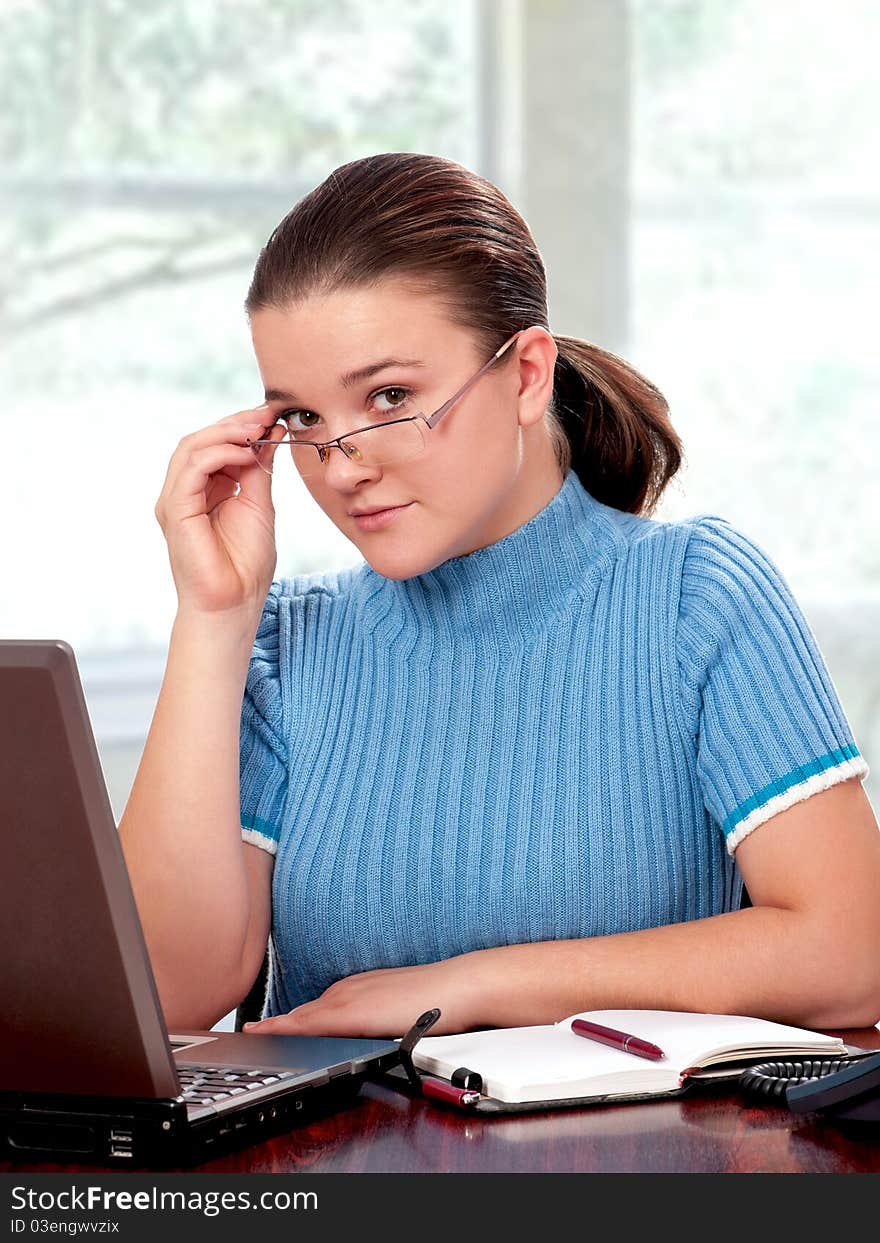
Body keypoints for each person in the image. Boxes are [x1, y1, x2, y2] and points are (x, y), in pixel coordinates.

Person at [119, 152, 880, 1040]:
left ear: (526, 374)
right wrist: (213, 618)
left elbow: (855, 952)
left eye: (390, 395)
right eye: (303, 419)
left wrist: (471, 987)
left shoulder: (694, 597)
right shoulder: (286, 646)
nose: (342, 464)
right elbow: (163, 998)